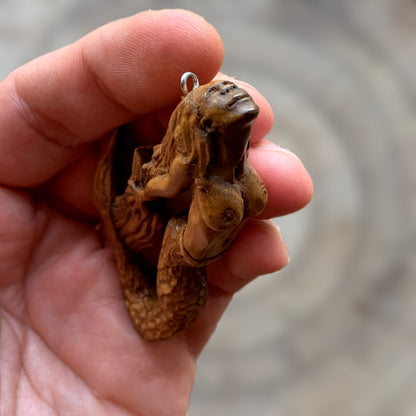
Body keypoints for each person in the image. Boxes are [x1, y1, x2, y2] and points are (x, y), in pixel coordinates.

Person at [0, 9, 313, 416]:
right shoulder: (197, 170)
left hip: (184, 248)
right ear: (201, 125)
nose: (232, 98)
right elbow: (166, 185)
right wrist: (144, 193)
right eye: (221, 99)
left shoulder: (230, 179)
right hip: (176, 244)